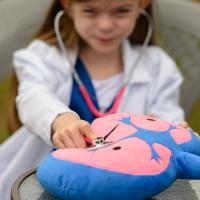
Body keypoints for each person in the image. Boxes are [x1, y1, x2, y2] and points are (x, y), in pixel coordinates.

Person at [0, 0, 188, 199]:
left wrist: (172, 132)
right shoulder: (43, 56)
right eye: (90, 11)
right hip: (38, 186)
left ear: (142, 5)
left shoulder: (159, 66)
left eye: (121, 11)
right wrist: (62, 121)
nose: (105, 25)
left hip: (122, 189)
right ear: (68, 6)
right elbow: (33, 95)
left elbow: (169, 121)